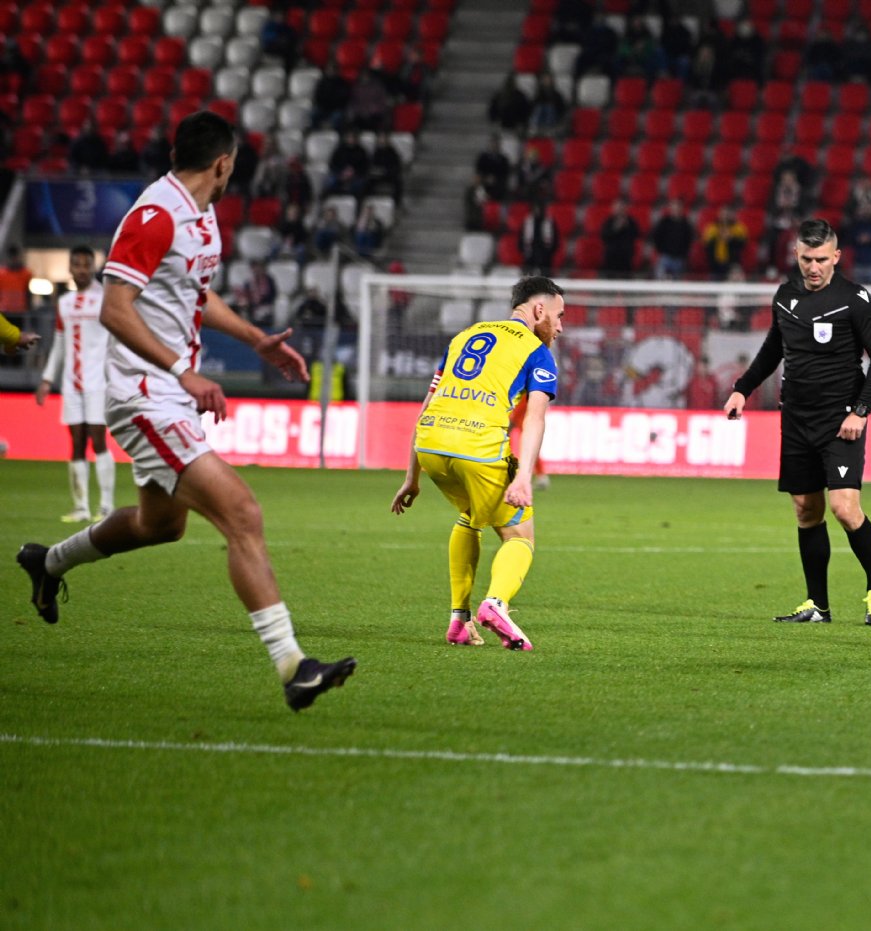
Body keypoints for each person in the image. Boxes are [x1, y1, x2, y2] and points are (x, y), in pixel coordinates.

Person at [15, 111, 355, 711]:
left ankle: (49, 562)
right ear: (222, 164)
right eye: (233, 167)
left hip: (166, 392)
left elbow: (194, 295)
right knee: (242, 512)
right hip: (144, 394)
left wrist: (255, 338)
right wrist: (183, 370)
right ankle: (293, 667)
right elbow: (115, 308)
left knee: (160, 525)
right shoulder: (155, 215)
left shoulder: (201, 216)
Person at [723, 219, 871, 627]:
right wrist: (742, 389)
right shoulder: (786, 296)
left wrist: (861, 411)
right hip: (796, 419)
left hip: (841, 421)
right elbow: (773, 349)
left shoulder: (854, 298)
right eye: (806, 259)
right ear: (796, 256)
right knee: (806, 510)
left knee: (844, 508)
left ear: (836, 257)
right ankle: (817, 604)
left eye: (820, 259)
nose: (813, 267)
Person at [389, 276, 564, 650]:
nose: (560, 327)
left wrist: (412, 476)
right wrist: (524, 477)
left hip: (431, 445)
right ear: (539, 310)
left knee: (470, 515)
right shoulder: (537, 352)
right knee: (520, 535)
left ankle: (459, 621)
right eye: (559, 315)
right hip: (478, 446)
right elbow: (535, 419)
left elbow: (428, 403)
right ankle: (496, 603)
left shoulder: (465, 336)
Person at [34, 246, 115, 522]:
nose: (81, 269)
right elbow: (59, 343)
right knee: (76, 442)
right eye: (77, 265)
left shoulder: (104, 299)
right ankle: (81, 507)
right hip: (72, 383)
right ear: (69, 268)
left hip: (98, 381)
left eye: (86, 265)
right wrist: (47, 378)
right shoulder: (65, 303)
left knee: (98, 440)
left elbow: (116, 339)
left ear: (93, 267)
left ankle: (106, 506)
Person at [650, 198, 693, 280]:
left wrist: (683, 253)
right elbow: (656, 236)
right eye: (674, 207)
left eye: (678, 207)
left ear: (681, 208)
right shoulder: (664, 222)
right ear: (670, 208)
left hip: (679, 259)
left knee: (677, 282)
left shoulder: (686, 224)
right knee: (660, 280)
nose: (676, 209)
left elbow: (688, 240)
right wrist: (661, 250)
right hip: (665, 257)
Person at [599, 199, 641, 275]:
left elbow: (637, 235)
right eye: (618, 208)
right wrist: (616, 228)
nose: (619, 210)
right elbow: (604, 236)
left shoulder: (631, 222)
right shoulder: (609, 221)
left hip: (626, 256)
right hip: (611, 256)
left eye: (621, 208)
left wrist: (627, 226)